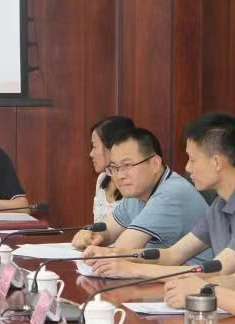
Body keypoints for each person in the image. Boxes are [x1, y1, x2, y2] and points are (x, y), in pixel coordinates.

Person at [75, 113, 235, 307]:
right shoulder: (219, 206)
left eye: (192, 160)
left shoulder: (174, 191)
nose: (187, 167)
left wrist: (131, 268)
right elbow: (173, 255)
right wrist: (116, 256)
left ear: (216, 162)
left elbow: (216, 271)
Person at [72, 126, 212, 263]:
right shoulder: (138, 192)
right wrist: (91, 236)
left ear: (154, 164)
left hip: (194, 275)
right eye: (114, 167)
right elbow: (107, 230)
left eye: (127, 165)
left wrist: (105, 249)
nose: (120, 176)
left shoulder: (172, 192)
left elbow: (123, 250)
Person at [89, 116, 134, 222]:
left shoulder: (135, 186)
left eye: (94, 146)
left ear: (112, 146)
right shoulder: (101, 179)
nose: (91, 154)